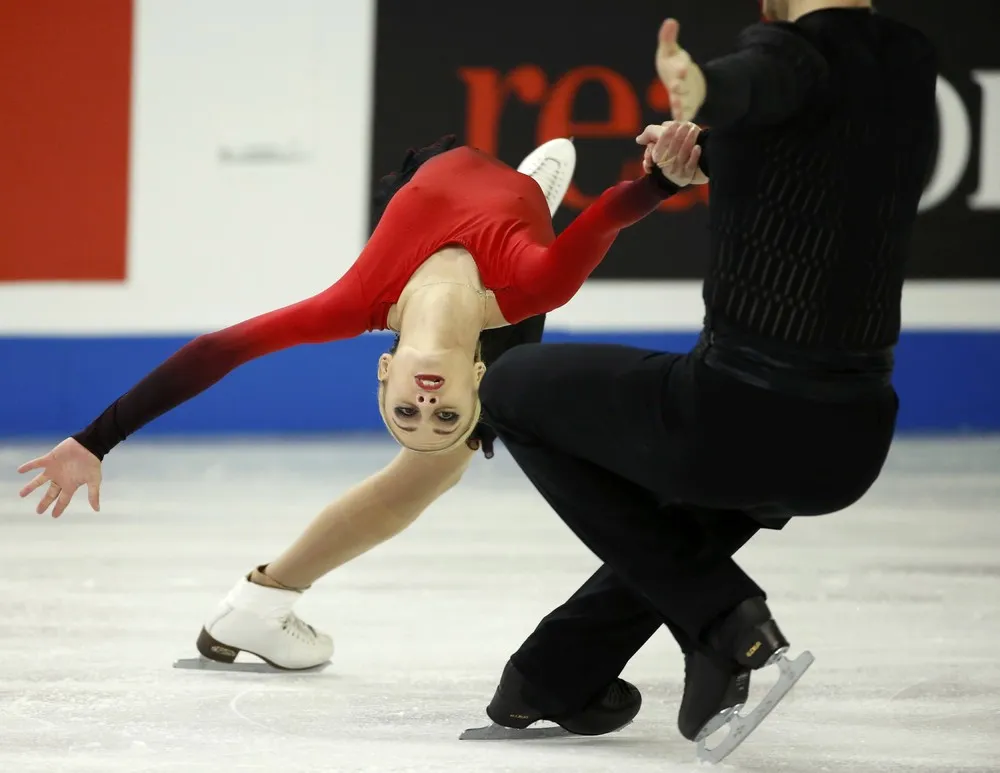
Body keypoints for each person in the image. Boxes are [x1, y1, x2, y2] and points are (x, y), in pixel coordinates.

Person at [15, 129, 707, 696]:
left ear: (386, 371)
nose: (430, 403)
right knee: (442, 461)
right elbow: (615, 211)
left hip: (430, 177)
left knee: (434, 465)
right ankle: (532, 194)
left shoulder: (355, 302)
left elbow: (218, 349)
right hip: (503, 283)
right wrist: (664, 177)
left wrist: (95, 439)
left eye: (410, 406)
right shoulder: (537, 284)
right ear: (475, 375)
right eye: (441, 410)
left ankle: (258, 605)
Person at [466, 1, 938, 763]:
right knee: (690, 501)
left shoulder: (793, 56)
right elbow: (818, 157)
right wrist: (707, 151)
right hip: (852, 437)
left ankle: (725, 622)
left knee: (512, 387)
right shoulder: (906, 72)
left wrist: (701, 88)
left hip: (741, 414)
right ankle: (556, 673)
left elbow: (758, 82)